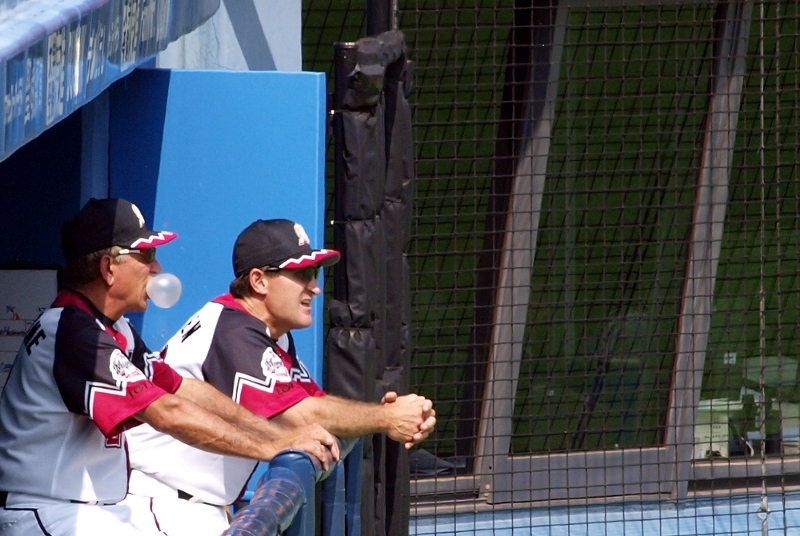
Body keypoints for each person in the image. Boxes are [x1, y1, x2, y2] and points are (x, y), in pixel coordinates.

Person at [0, 199, 338, 536]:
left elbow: (182, 389)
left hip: (87, 512)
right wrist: (273, 446)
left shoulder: (115, 330)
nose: (158, 268)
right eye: (146, 256)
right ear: (108, 268)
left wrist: (278, 435)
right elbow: (167, 412)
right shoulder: (73, 331)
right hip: (43, 513)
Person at [123, 218, 436, 535]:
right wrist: (384, 417)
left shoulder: (267, 331)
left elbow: (313, 405)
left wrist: (384, 414)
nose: (314, 287)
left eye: (314, 274)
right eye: (302, 274)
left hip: (189, 504)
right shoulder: (233, 332)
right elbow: (301, 417)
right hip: (158, 503)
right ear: (259, 281)